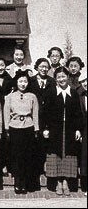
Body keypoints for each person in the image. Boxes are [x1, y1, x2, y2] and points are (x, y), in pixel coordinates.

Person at [42, 67, 83, 196]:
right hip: (55, 129)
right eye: (59, 77)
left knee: (68, 154)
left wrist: (78, 129)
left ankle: (66, 182)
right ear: (56, 79)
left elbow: (78, 114)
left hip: (70, 129)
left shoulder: (74, 93)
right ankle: (58, 182)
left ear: (68, 77)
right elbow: (44, 113)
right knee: (56, 154)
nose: (61, 79)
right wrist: (45, 128)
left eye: (63, 76)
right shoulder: (51, 92)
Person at [4, 69, 40, 194]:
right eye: (20, 81)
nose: (23, 84)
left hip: (28, 128)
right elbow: (6, 113)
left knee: (27, 156)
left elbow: (35, 114)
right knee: (16, 157)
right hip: (14, 128)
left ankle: (26, 183)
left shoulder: (32, 96)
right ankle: (17, 183)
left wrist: (36, 129)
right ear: (16, 82)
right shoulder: (10, 97)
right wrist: (7, 129)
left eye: (25, 81)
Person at [27, 58, 56, 186]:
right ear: (36, 67)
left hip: (47, 118)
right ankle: (35, 172)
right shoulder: (31, 81)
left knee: (45, 145)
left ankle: (44, 169)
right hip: (33, 117)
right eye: (41, 66)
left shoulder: (52, 82)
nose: (44, 69)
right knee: (33, 146)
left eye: (46, 67)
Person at [78, 68, 87, 196]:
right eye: (84, 81)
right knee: (85, 158)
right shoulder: (78, 95)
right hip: (85, 129)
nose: (86, 83)